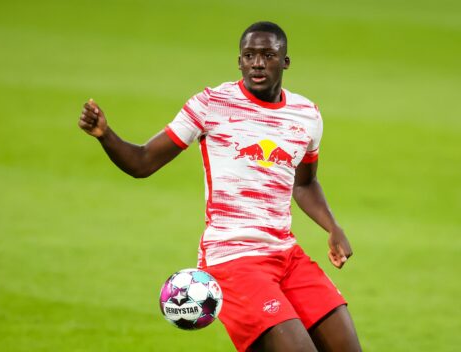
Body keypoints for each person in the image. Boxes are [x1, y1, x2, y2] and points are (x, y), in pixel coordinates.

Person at [78, 21, 362, 352]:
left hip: (286, 255)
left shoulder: (306, 115)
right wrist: (105, 135)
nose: (258, 63)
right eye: (249, 55)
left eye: (268, 55)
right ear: (239, 61)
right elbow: (142, 162)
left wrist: (332, 227)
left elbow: (305, 184)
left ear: (285, 62)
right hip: (233, 259)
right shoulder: (211, 105)